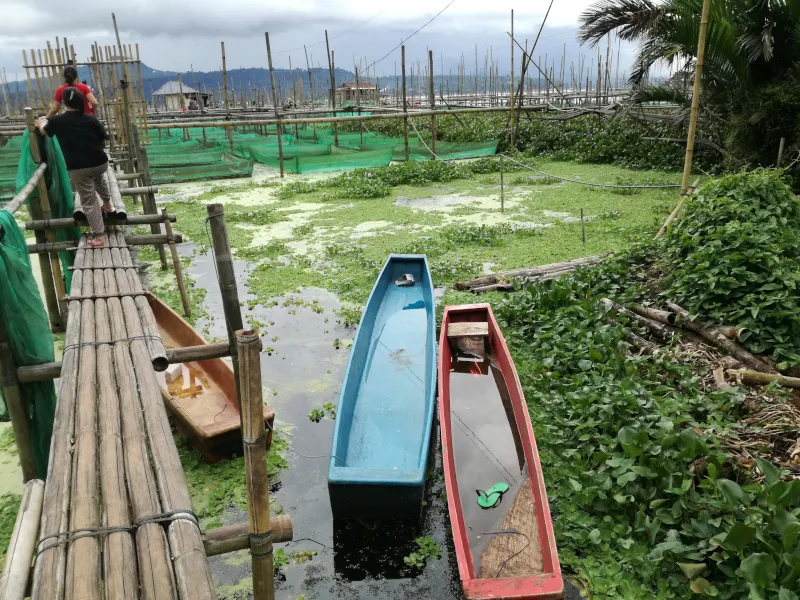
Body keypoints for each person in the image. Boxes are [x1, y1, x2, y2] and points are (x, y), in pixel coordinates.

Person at [35, 87, 112, 247]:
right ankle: (107, 204)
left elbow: (43, 131)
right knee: (99, 178)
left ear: (64, 102)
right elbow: (103, 140)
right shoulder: (91, 119)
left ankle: (99, 237)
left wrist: (43, 122)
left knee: (89, 201)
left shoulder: (57, 121)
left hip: (78, 168)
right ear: (82, 101)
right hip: (100, 162)